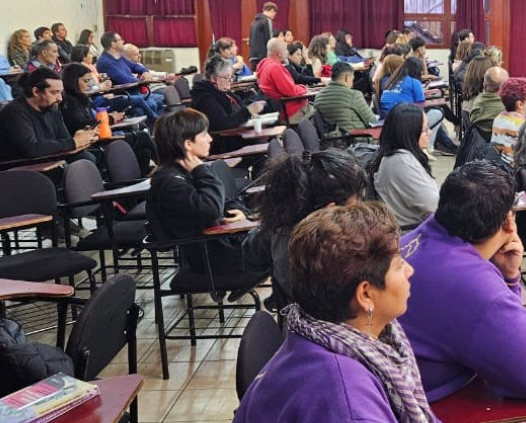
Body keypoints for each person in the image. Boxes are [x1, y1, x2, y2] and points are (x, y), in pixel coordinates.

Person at [209, 203, 485, 423]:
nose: (410, 271)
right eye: (399, 265)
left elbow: (415, 413)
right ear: (366, 294)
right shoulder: (347, 406)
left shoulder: (319, 335)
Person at [399, 161, 526, 423]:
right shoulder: (472, 285)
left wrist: (508, 278)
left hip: (410, 401)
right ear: (508, 220)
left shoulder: (422, 235)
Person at [147, 109, 270, 298]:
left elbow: (227, 199)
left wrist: (238, 212)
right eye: (204, 134)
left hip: (227, 243)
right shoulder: (170, 181)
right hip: (213, 258)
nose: (210, 139)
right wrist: (201, 170)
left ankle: (278, 302)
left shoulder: (188, 170)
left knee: (285, 236)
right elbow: (210, 209)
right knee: (284, 246)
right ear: (188, 144)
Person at [254, 149, 369, 304]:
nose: (361, 206)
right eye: (358, 200)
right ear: (332, 209)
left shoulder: (289, 224)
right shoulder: (312, 254)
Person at [60, 63, 156, 175]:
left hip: (99, 137)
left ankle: (141, 175)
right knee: (142, 136)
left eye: (90, 81)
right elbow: (82, 125)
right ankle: (164, 164)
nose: (89, 85)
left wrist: (110, 117)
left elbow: (90, 120)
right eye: (86, 81)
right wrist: (110, 118)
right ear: (73, 81)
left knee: (143, 150)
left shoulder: (81, 99)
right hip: (94, 142)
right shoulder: (69, 103)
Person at [0, 67, 96, 163]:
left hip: (45, 159)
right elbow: (31, 149)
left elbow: (64, 139)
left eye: (60, 92)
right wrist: (73, 142)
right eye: (54, 92)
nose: (60, 98)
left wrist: (82, 138)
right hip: (15, 167)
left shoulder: (53, 108)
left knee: (88, 157)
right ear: (36, 91)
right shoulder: (14, 112)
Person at [370, 103, 439, 230]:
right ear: (410, 133)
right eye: (424, 129)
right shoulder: (402, 162)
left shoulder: (395, 157)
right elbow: (435, 205)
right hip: (411, 233)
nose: (429, 133)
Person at [379, 57, 457, 156]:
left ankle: (436, 146)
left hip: (387, 119)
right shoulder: (414, 82)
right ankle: (427, 148)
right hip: (403, 121)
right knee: (438, 112)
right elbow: (420, 106)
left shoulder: (392, 80)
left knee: (433, 111)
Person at [189, 56, 266, 153]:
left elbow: (239, 112)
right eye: (226, 78)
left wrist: (251, 113)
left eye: (231, 77)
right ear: (213, 78)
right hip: (225, 145)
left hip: (239, 136)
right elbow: (223, 123)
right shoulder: (206, 98)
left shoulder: (223, 92)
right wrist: (248, 111)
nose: (230, 81)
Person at [97, 31, 163, 121]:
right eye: (120, 40)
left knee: (163, 99)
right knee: (152, 104)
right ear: (113, 44)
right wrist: (142, 81)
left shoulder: (119, 56)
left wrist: (145, 72)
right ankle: (155, 127)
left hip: (135, 92)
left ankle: (159, 127)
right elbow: (124, 79)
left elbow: (135, 66)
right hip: (125, 95)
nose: (123, 41)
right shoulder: (106, 62)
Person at [256, 38, 315, 125]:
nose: (287, 53)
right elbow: (291, 91)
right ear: (279, 53)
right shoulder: (275, 68)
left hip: (278, 108)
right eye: (286, 50)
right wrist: (304, 88)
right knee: (320, 111)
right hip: (288, 111)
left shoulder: (263, 65)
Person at [314, 61, 376, 133]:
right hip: (356, 140)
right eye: (352, 79)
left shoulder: (318, 97)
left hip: (330, 141)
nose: (352, 84)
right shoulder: (354, 95)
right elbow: (372, 121)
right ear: (346, 77)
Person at [492, 77, 526, 162]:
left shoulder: (498, 118)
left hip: (500, 166)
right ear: (520, 104)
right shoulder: (524, 125)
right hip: (518, 171)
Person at [468, 67, 507, 137]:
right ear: (506, 86)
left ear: (484, 86)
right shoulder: (511, 108)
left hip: (479, 145)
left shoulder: (475, 107)